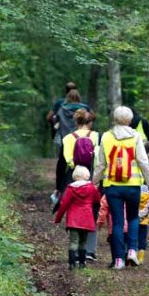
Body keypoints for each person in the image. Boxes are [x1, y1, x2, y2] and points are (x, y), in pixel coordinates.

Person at [92, 106, 149, 270]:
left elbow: (100, 164)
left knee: (118, 222)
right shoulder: (136, 137)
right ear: (129, 120)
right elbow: (143, 162)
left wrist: (93, 182)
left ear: (114, 119)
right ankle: (132, 251)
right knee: (134, 218)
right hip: (133, 185)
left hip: (112, 186)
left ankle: (119, 260)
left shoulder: (106, 136)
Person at [63, 109, 101, 261]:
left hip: (74, 177)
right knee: (93, 212)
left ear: (75, 122)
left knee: (75, 210)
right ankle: (89, 251)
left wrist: (60, 186)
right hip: (92, 177)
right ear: (90, 122)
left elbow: (65, 161)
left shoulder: (67, 138)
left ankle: (75, 247)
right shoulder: (97, 136)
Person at [53, 166, 99, 269]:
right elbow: (97, 200)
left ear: (75, 176)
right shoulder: (91, 188)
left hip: (73, 220)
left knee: (73, 242)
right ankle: (82, 264)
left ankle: (71, 264)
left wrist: (58, 218)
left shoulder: (70, 188)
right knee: (83, 242)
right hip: (86, 219)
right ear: (87, 176)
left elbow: (64, 204)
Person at [52, 89, 90, 201]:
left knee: (64, 161)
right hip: (83, 136)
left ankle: (71, 180)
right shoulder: (85, 108)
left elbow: (54, 120)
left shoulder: (61, 108)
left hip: (66, 137)